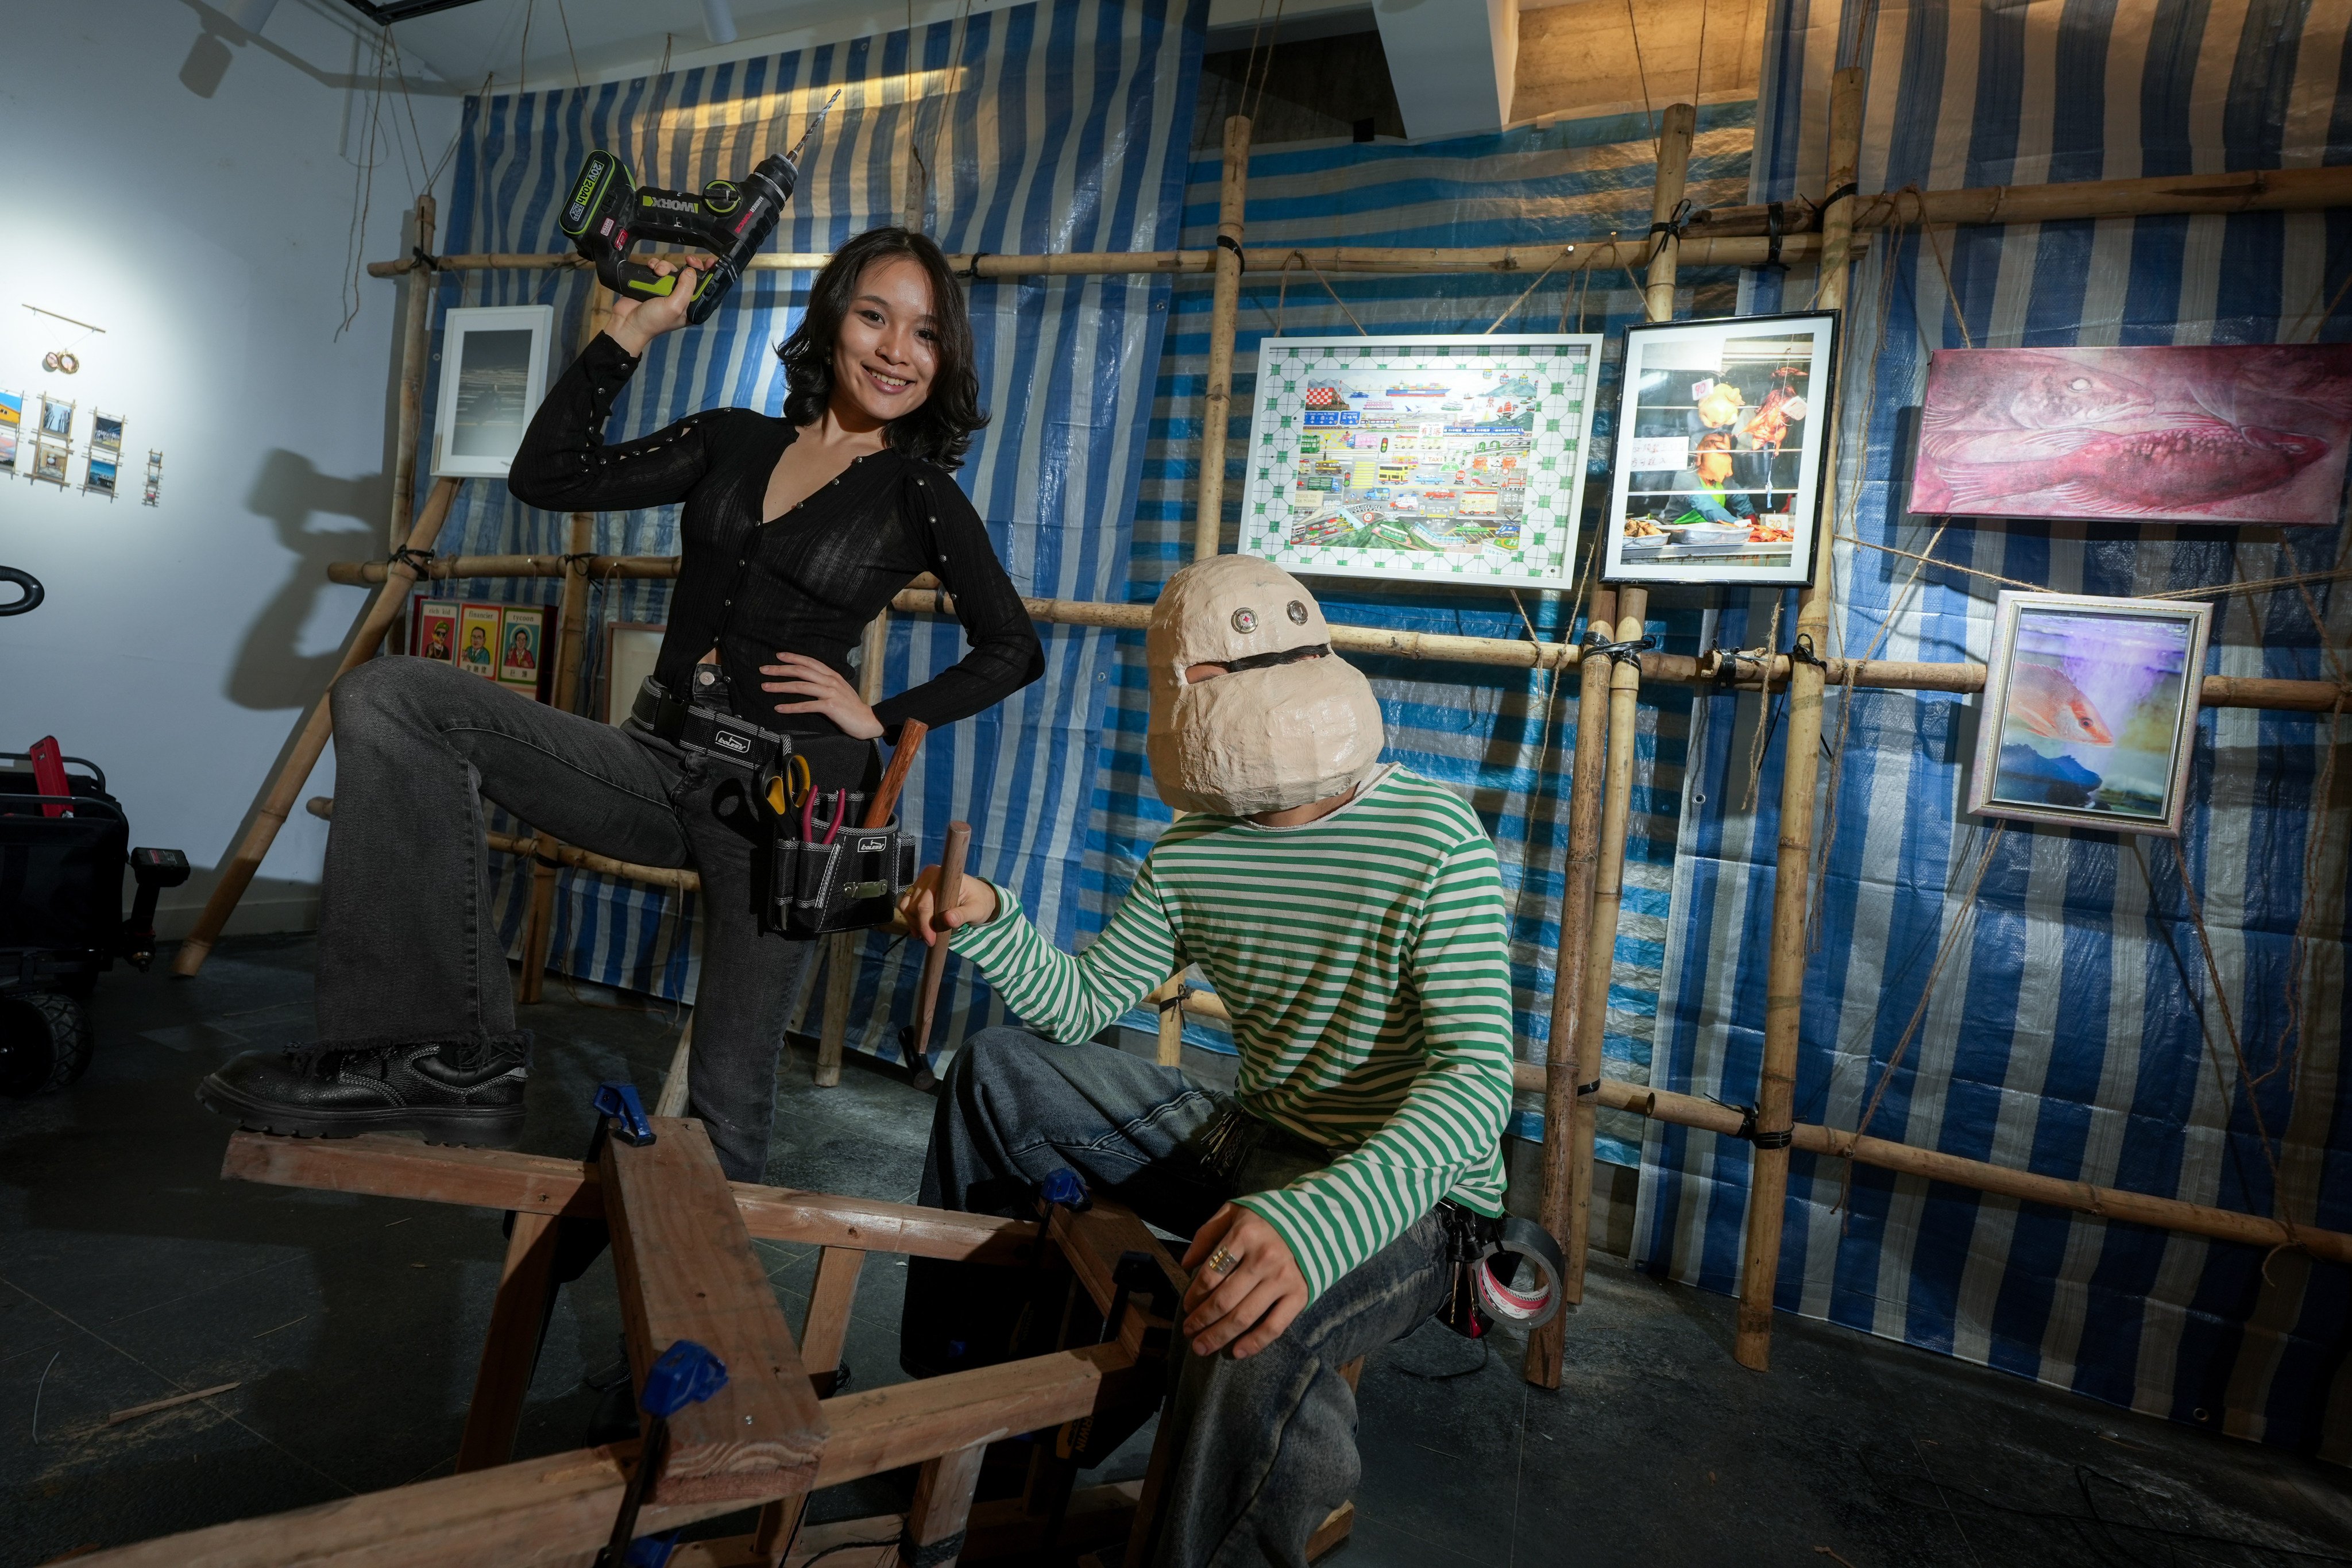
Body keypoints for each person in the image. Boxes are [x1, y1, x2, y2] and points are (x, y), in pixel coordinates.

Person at [198, 227, 1044, 1180]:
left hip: (784, 814)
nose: (897, 350)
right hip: (655, 759)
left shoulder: (919, 491)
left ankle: (697, 1314)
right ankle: (443, 1057)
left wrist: (880, 717)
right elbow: (550, 478)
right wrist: (630, 334)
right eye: (874, 316)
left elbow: (1014, 647)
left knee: (725, 1116)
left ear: (946, 356)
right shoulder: (733, 437)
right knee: (391, 697)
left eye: (926, 333)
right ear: (831, 321)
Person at [895, 555, 1515, 1567]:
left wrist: (1312, 1227)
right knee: (997, 1069)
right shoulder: (1194, 850)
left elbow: (1475, 1084)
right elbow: (1084, 1003)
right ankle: (965, 1406)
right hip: (1256, 1139)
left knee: (1248, 1311)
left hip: (1415, 1197)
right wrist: (989, 916)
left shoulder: (1434, 833)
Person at [1669, 432, 1756, 525]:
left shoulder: (1723, 481)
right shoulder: (1685, 477)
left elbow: (1741, 500)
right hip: (1680, 532)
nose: (1729, 473)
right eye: (1725, 467)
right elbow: (1706, 505)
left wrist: (1755, 526)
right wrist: (1741, 526)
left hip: (1710, 533)